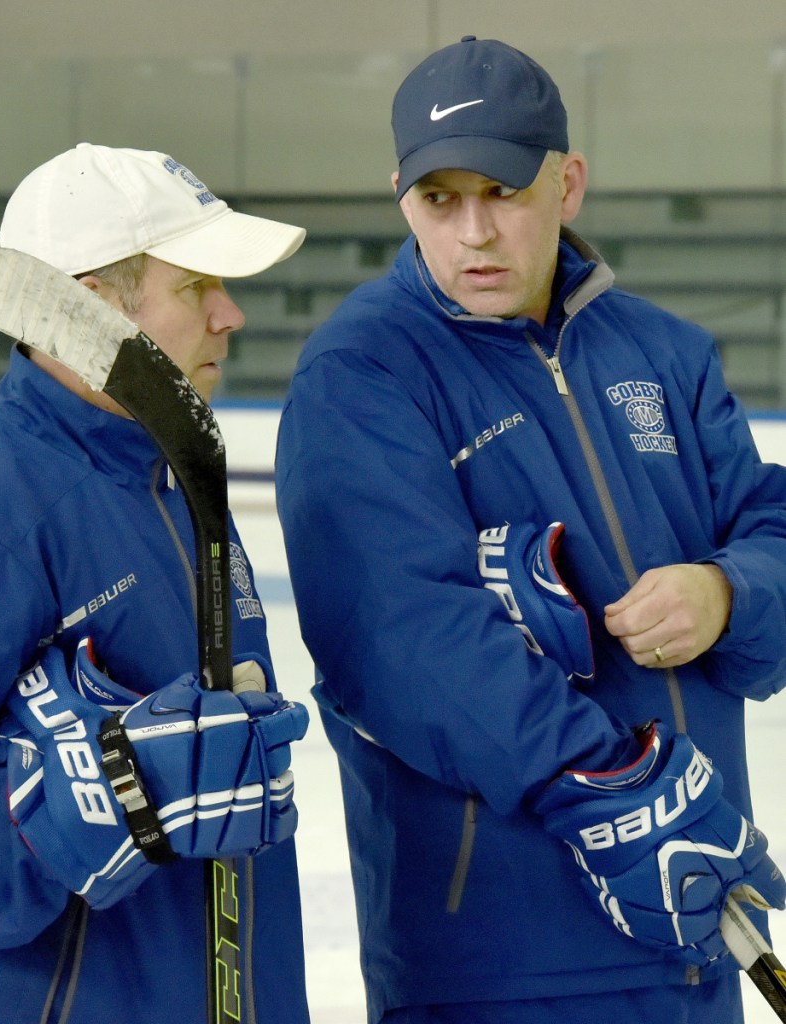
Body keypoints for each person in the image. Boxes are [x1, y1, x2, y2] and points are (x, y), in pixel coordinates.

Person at [275, 36, 786, 1024]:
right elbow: (399, 634)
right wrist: (611, 790)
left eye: (502, 192)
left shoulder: (661, 352)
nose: (473, 232)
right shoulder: (360, 372)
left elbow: (769, 524)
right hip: (493, 960)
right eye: (438, 200)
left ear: (568, 183)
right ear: (400, 197)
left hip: (689, 920)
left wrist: (726, 592)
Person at [0, 143, 311, 1024]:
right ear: (93, 303)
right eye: (195, 287)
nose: (230, 314)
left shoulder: (177, 487)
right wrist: (94, 800)